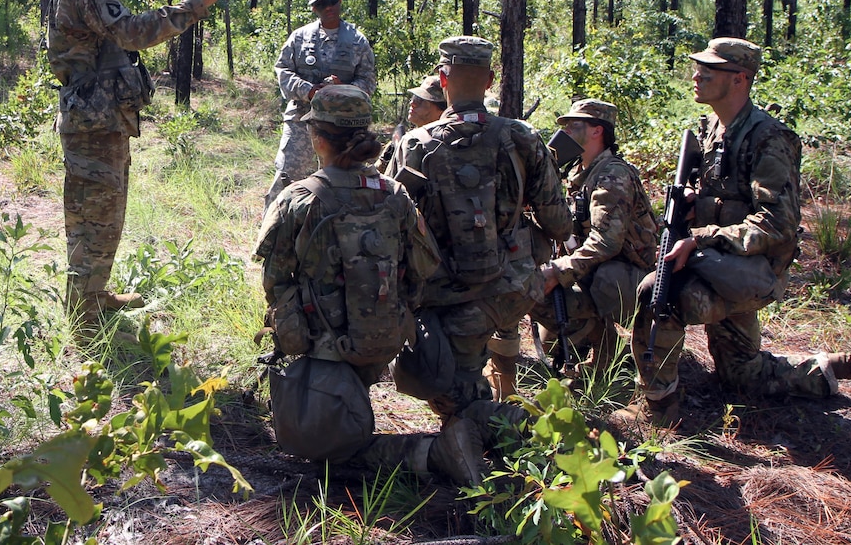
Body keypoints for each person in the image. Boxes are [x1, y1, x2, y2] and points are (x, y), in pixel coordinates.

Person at [623, 37, 851, 426]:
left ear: (740, 80)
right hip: (721, 264)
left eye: (709, 70)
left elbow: (776, 224)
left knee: (657, 295)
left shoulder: (769, 138)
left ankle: (657, 411)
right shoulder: (715, 128)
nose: (696, 76)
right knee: (743, 377)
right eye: (698, 68)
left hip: (751, 272)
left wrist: (700, 237)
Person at [254, 85, 485, 485]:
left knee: (318, 450)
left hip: (321, 344)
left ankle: (434, 453)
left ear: (318, 138)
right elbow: (424, 265)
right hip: (384, 336)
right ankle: (494, 424)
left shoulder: (299, 198)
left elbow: (275, 281)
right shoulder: (394, 194)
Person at [47, 0, 226, 335]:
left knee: (104, 215)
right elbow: (131, 31)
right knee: (93, 218)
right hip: (93, 122)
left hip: (102, 118)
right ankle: (84, 320)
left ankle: (93, 295)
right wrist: (196, 4)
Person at [384, 36, 575, 442]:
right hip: (515, 286)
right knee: (468, 365)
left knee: (454, 389)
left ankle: (516, 433)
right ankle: (498, 420)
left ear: (443, 79)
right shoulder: (523, 137)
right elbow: (560, 224)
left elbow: (395, 230)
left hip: (447, 296)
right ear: (490, 81)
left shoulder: (415, 144)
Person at [486, 99, 657, 399]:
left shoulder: (611, 176)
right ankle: (600, 338)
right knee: (551, 336)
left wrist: (559, 270)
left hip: (628, 279)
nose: (564, 131)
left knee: (539, 290)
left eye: (574, 126)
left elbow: (606, 242)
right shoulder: (580, 172)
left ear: (597, 132)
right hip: (595, 271)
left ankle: (605, 353)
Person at [264, 0, 377, 209]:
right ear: (314, 8)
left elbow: (367, 80)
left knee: (342, 181)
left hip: (343, 127)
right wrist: (310, 90)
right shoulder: (299, 37)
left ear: (340, 2)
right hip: (302, 120)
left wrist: (342, 91)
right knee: (288, 175)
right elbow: (283, 70)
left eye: (333, 1)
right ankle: (275, 227)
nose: (329, 7)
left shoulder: (357, 41)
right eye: (322, 3)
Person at [376, 73, 447, 172]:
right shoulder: (404, 139)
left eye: (421, 100)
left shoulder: (445, 144)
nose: (412, 103)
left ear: (441, 111)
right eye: (414, 97)